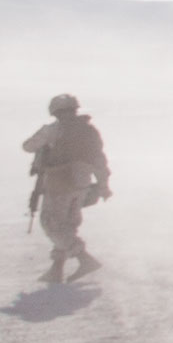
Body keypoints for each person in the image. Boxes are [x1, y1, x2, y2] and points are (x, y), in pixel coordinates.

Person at [24, 93, 112, 284]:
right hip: (82, 184)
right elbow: (99, 160)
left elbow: (28, 146)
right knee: (67, 225)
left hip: (59, 183)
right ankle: (56, 270)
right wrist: (103, 186)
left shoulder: (53, 130)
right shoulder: (89, 131)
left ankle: (84, 258)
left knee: (52, 224)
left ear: (55, 112)